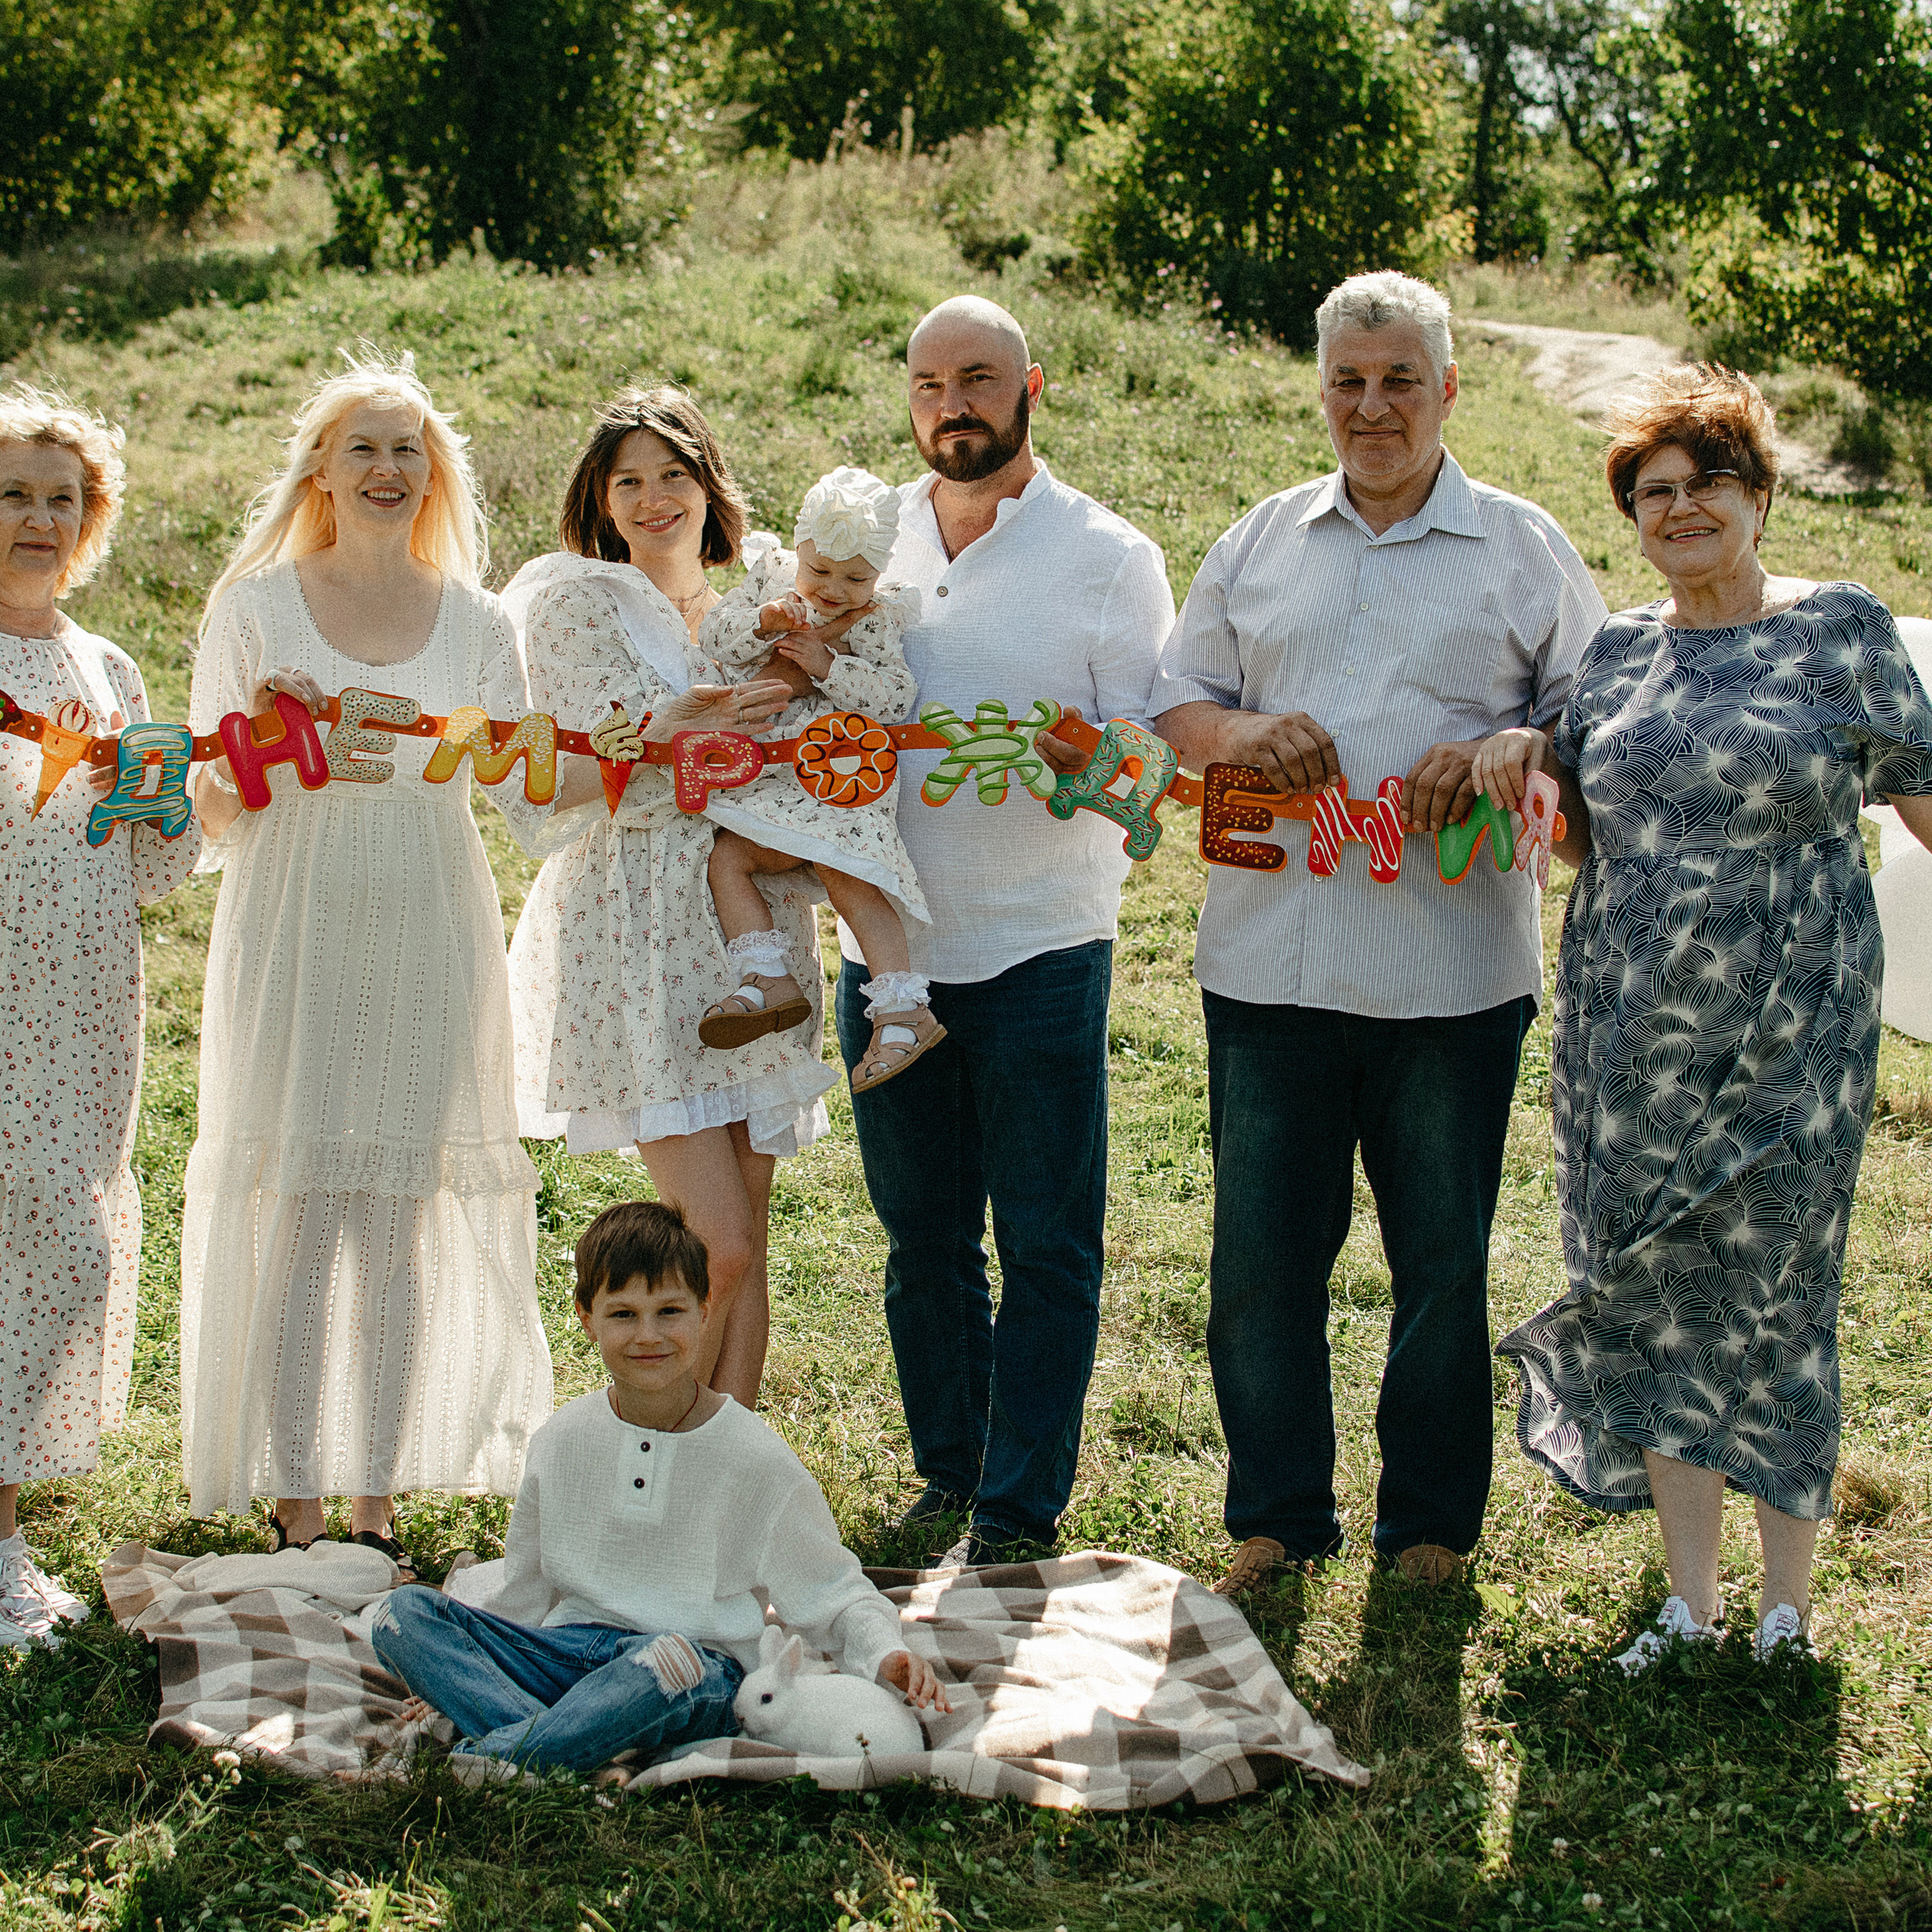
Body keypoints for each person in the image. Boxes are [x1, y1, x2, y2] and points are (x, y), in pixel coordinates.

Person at [1152, 270, 1608, 1596]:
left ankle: (1428, 1532)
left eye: (1400, 379)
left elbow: (1591, 726)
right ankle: (1278, 1522)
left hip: (1455, 970)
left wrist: (1514, 743)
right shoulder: (1263, 540)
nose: (1373, 407)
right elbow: (1176, 700)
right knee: (1261, 1267)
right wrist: (1241, 734)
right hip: (1271, 962)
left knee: (1437, 1268)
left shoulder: (1522, 547)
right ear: (1321, 392)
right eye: (1349, 382)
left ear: (1449, 389)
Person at [1478, 367, 1932, 1667]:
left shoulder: (1840, 629)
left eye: (1704, 485)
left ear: (1759, 496)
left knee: (1781, 1286)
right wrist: (1526, 764)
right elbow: (1579, 843)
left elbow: (1926, 807)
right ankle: (1692, 1602)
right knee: (1659, 1284)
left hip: (1801, 1019)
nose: (1678, 511)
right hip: (1630, 1025)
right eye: (1652, 494)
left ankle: (1785, 1611)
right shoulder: (1616, 649)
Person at [182, 351, 561, 1571]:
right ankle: (296, 1496)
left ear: (434, 475)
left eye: (409, 450)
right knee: (299, 1208)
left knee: (396, 1215)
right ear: (321, 473)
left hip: (427, 923)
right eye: (365, 449)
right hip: (294, 919)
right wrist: (270, 747)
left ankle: (377, 1501)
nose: (389, 469)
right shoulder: (254, 610)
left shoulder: (479, 619)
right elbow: (200, 808)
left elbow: (529, 792)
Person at [835, 296, 1174, 1565]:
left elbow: (1152, 758)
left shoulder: (1107, 553)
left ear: (1033, 384)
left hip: (1042, 944)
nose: (952, 405)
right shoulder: (868, 542)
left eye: (978, 379)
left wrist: (1081, 763)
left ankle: (1022, 1502)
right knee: (923, 1244)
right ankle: (951, 1471)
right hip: (889, 955)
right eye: (929, 385)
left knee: (1042, 1241)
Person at [370, 1199, 950, 1779]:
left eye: (669, 1311)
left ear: (704, 1311)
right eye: (623, 1314)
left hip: (693, 1667)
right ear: (586, 1316)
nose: (648, 1336)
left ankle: (503, 1754)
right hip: (570, 1654)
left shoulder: (753, 1458)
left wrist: (884, 1654)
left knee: (663, 1664)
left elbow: (834, 1589)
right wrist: (474, 1664)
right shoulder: (563, 1439)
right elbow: (525, 1588)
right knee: (401, 1613)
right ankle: (557, 1750)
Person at [503, 386, 830, 1410]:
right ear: (601, 501)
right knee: (714, 1247)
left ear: (707, 485)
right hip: (637, 924)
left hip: (752, 924)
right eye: (628, 481)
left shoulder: (765, 595)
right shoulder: (576, 605)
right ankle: (647, 1464)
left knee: (752, 1234)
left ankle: (725, 1481)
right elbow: (557, 775)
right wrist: (666, 724)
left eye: (672, 476)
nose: (653, 499)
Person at [0, 387, 202, 1645]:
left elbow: (149, 874)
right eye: (14, 494)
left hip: (81, 1009)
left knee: (59, 1252)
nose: (38, 518)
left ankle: (5, 1536)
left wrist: (160, 798)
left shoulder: (105, 664)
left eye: (61, 500)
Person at [698, 466, 943, 1092]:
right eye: (821, 572)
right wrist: (764, 620)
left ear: (881, 572)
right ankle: (766, 977)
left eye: (857, 578)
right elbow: (714, 637)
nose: (835, 590)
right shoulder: (771, 577)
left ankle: (902, 1011)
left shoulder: (878, 618)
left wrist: (832, 667)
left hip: (840, 776)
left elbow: (894, 696)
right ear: (798, 551)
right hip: (773, 780)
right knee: (727, 857)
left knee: (848, 874)